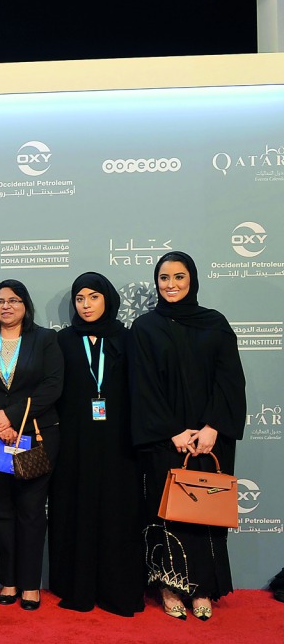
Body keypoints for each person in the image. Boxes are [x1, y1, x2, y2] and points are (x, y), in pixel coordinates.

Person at [130, 251, 245, 621]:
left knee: (204, 514)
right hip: (166, 441)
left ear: (192, 279)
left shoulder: (214, 323)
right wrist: (173, 431)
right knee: (166, 514)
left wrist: (213, 427)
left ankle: (202, 587)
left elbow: (229, 380)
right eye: (164, 278)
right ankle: (168, 584)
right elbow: (142, 387)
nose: (171, 284)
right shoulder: (145, 328)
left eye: (179, 277)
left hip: (211, 440)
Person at [50, 273, 144, 616]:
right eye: (79, 299)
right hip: (75, 442)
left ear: (107, 299)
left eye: (93, 297)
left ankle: (116, 586)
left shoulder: (128, 338)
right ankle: (78, 584)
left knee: (118, 511)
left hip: (119, 442)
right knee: (77, 508)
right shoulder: (62, 341)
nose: (86, 305)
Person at [0, 279, 63, 611]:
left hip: (35, 436)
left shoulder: (45, 339)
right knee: (2, 511)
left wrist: (9, 417)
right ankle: (8, 583)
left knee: (32, 512)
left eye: (13, 300)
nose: (5, 306)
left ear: (25, 305)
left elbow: (53, 386)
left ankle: (30, 585)